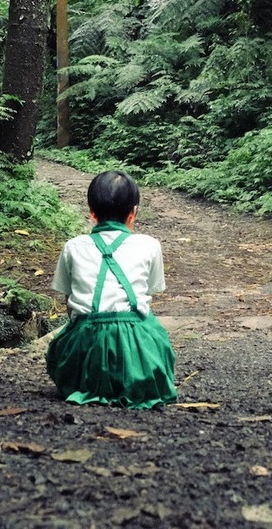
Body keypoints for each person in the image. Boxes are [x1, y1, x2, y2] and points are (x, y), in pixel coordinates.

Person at [46, 170, 177, 409]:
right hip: (138, 355)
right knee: (155, 331)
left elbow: (69, 303)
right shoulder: (150, 245)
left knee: (63, 340)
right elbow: (148, 295)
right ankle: (136, 380)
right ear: (133, 213)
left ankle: (89, 381)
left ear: (92, 213)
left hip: (85, 350)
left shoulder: (72, 247)